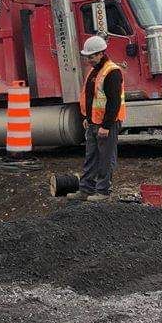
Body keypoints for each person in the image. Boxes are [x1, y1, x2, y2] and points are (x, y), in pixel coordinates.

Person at [68, 35, 126, 201]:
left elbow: (114, 102)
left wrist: (106, 126)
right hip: (94, 122)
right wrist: (87, 117)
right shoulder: (95, 71)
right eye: (87, 57)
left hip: (107, 124)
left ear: (101, 53)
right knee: (91, 157)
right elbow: (90, 97)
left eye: (91, 56)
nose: (88, 60)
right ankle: (86, 189)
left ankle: (103, 191)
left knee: (106, 158)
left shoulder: (112, 71)